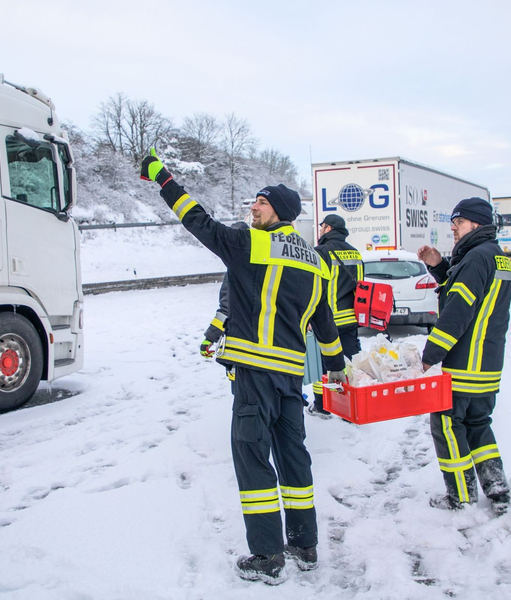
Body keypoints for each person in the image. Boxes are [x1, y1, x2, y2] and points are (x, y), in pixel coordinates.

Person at [141, 149, 346, 584]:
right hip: (291, 378)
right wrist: (335, 367)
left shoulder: (252, 244)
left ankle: (268, 556)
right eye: (255, 200)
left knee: (253, 459)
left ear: (280, 213)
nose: (253, 207)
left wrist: (163, 178)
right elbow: (326, 325)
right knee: (294, 458)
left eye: (262, 202)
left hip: (254, 375)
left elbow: (196, 220)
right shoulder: (316, 261)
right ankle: (305, 546)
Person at [417, 197, 511, 514]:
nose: (453, 228)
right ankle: (497, 488)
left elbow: (457, 311)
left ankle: (460, 495)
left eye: (459, 221)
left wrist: (430, 355)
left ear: (477, 223)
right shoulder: (495, 256)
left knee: (446, 423)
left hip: (465, 364)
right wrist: (439, 267)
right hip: (488, 364)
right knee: (478, 423)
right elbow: (466, 291)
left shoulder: (475, 258)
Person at [309, 214, 364, 418]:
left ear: (329, 228)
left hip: (327, 321)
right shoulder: (355, 253)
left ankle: (322, 406)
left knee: (324, 365)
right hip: (351, 318)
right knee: (348, 364)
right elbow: (361, 286)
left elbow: (315, 288)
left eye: (322, 226)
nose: (320, 229)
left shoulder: (321, 252)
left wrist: (310, 318)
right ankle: (350, 407)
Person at [199, 222, 250, 386]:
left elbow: (226, 311)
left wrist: (209, 338)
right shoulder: (266, 264)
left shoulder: (235, 271)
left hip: (241, 352)